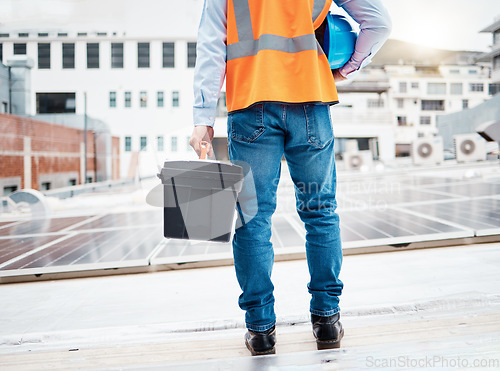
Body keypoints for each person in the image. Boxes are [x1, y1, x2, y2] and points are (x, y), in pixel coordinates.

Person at [190, 0, 391, 356]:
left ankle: (261, 329)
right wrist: (347, 69)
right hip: (310, 102)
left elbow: (210, 44)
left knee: (253, 219)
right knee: (320, 212)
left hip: (251, 106)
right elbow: (378, 22)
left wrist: (203, 118)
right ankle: (327, 320)